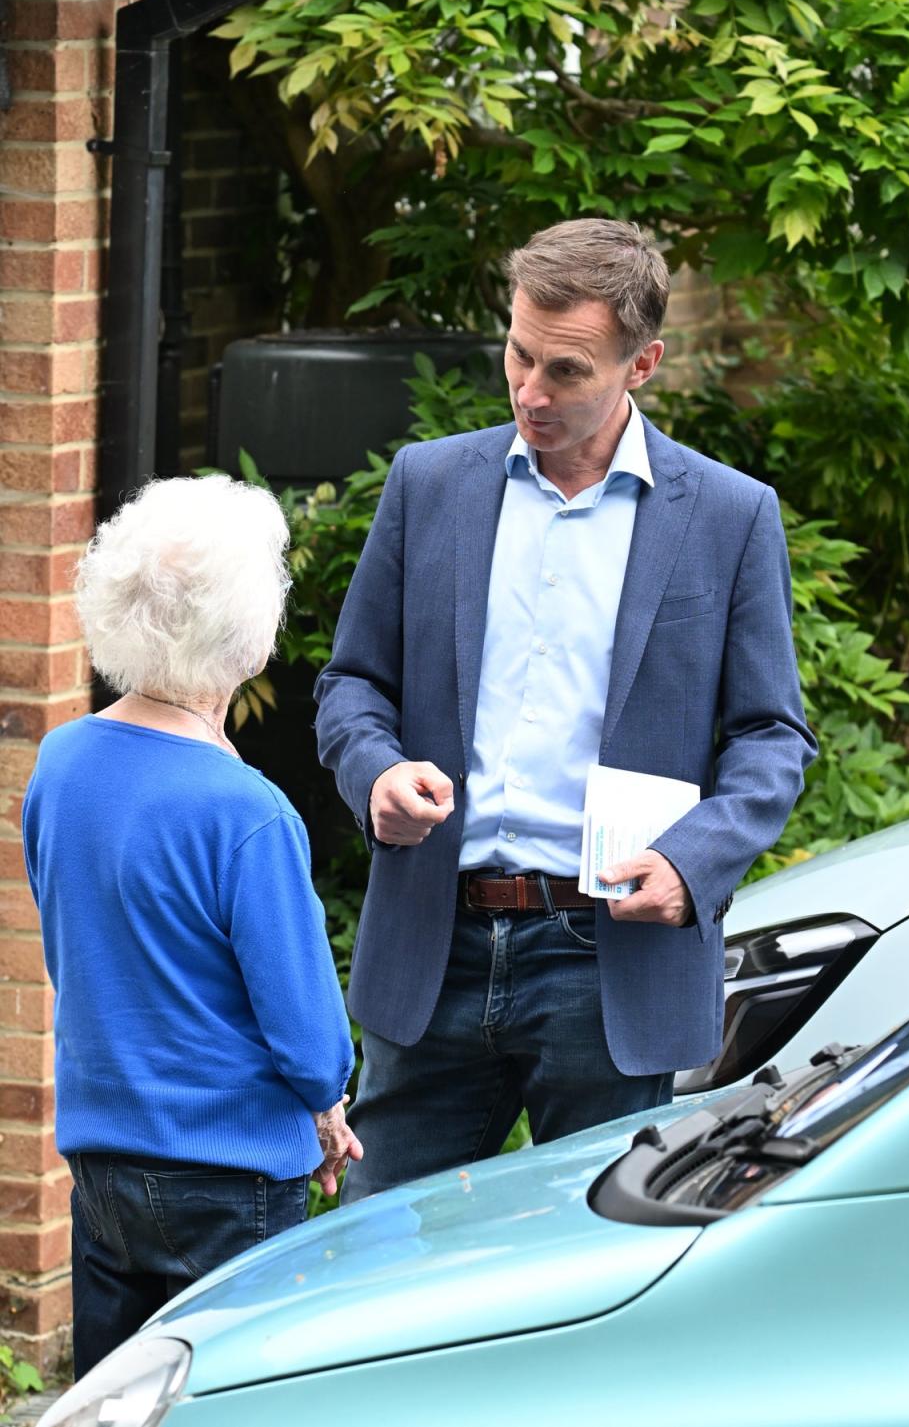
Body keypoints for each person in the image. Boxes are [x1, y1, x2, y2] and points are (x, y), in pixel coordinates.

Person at [314, 218, 816, 1204]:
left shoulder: (725, 515)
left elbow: (771, 735)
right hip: (435, 945)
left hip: (607, 961)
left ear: (644, 364)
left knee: (592, 1284)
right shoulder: (429, 484)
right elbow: (352, 682)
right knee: (368, 1259)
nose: (531, 392)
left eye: (568, 371)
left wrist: (692, 860)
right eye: (519, 354)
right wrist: (372, 768)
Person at [22, 475, 361, 1378]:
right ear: (246, 634)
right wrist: (328, 1106)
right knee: (223, 1392)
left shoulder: (62, 761)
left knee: (115, 1390)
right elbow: (311, 1041)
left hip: (100, 1150)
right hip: (228, 1169)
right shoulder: (246, 813)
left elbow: (78, 938)